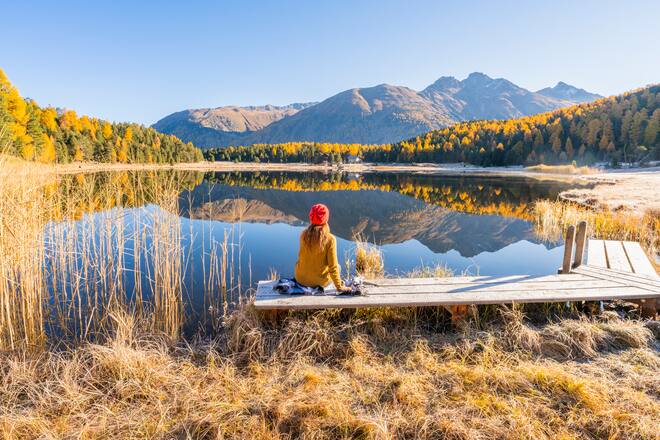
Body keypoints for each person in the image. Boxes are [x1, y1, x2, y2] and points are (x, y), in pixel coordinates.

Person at [294, 204, 351, 293]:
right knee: (338, 267)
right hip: (320, 282)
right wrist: (339, 287)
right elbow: (333, 266)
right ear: (326, 219)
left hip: (300, 279)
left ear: (311, 217)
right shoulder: (330, 239)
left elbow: (301, 257)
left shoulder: (303, 235)